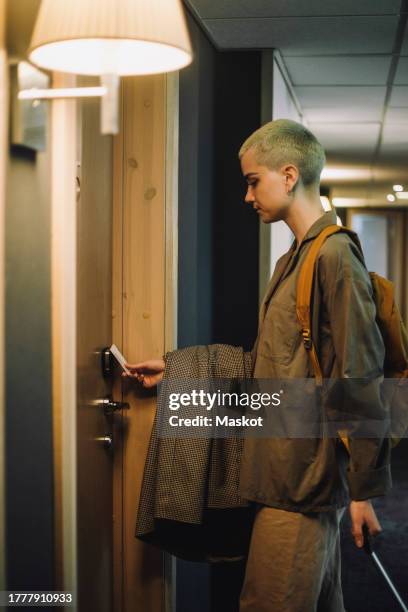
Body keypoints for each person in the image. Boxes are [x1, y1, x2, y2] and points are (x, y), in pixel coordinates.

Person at [123, 119, 391, 611]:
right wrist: (175, 369)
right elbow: (269, 366)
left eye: (253, 181)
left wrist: (362, 491)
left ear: (289, 175)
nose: (248, 197)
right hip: (283, 472)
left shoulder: (333, 256)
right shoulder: (291, 260)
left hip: (301, 484)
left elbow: (360, 373)